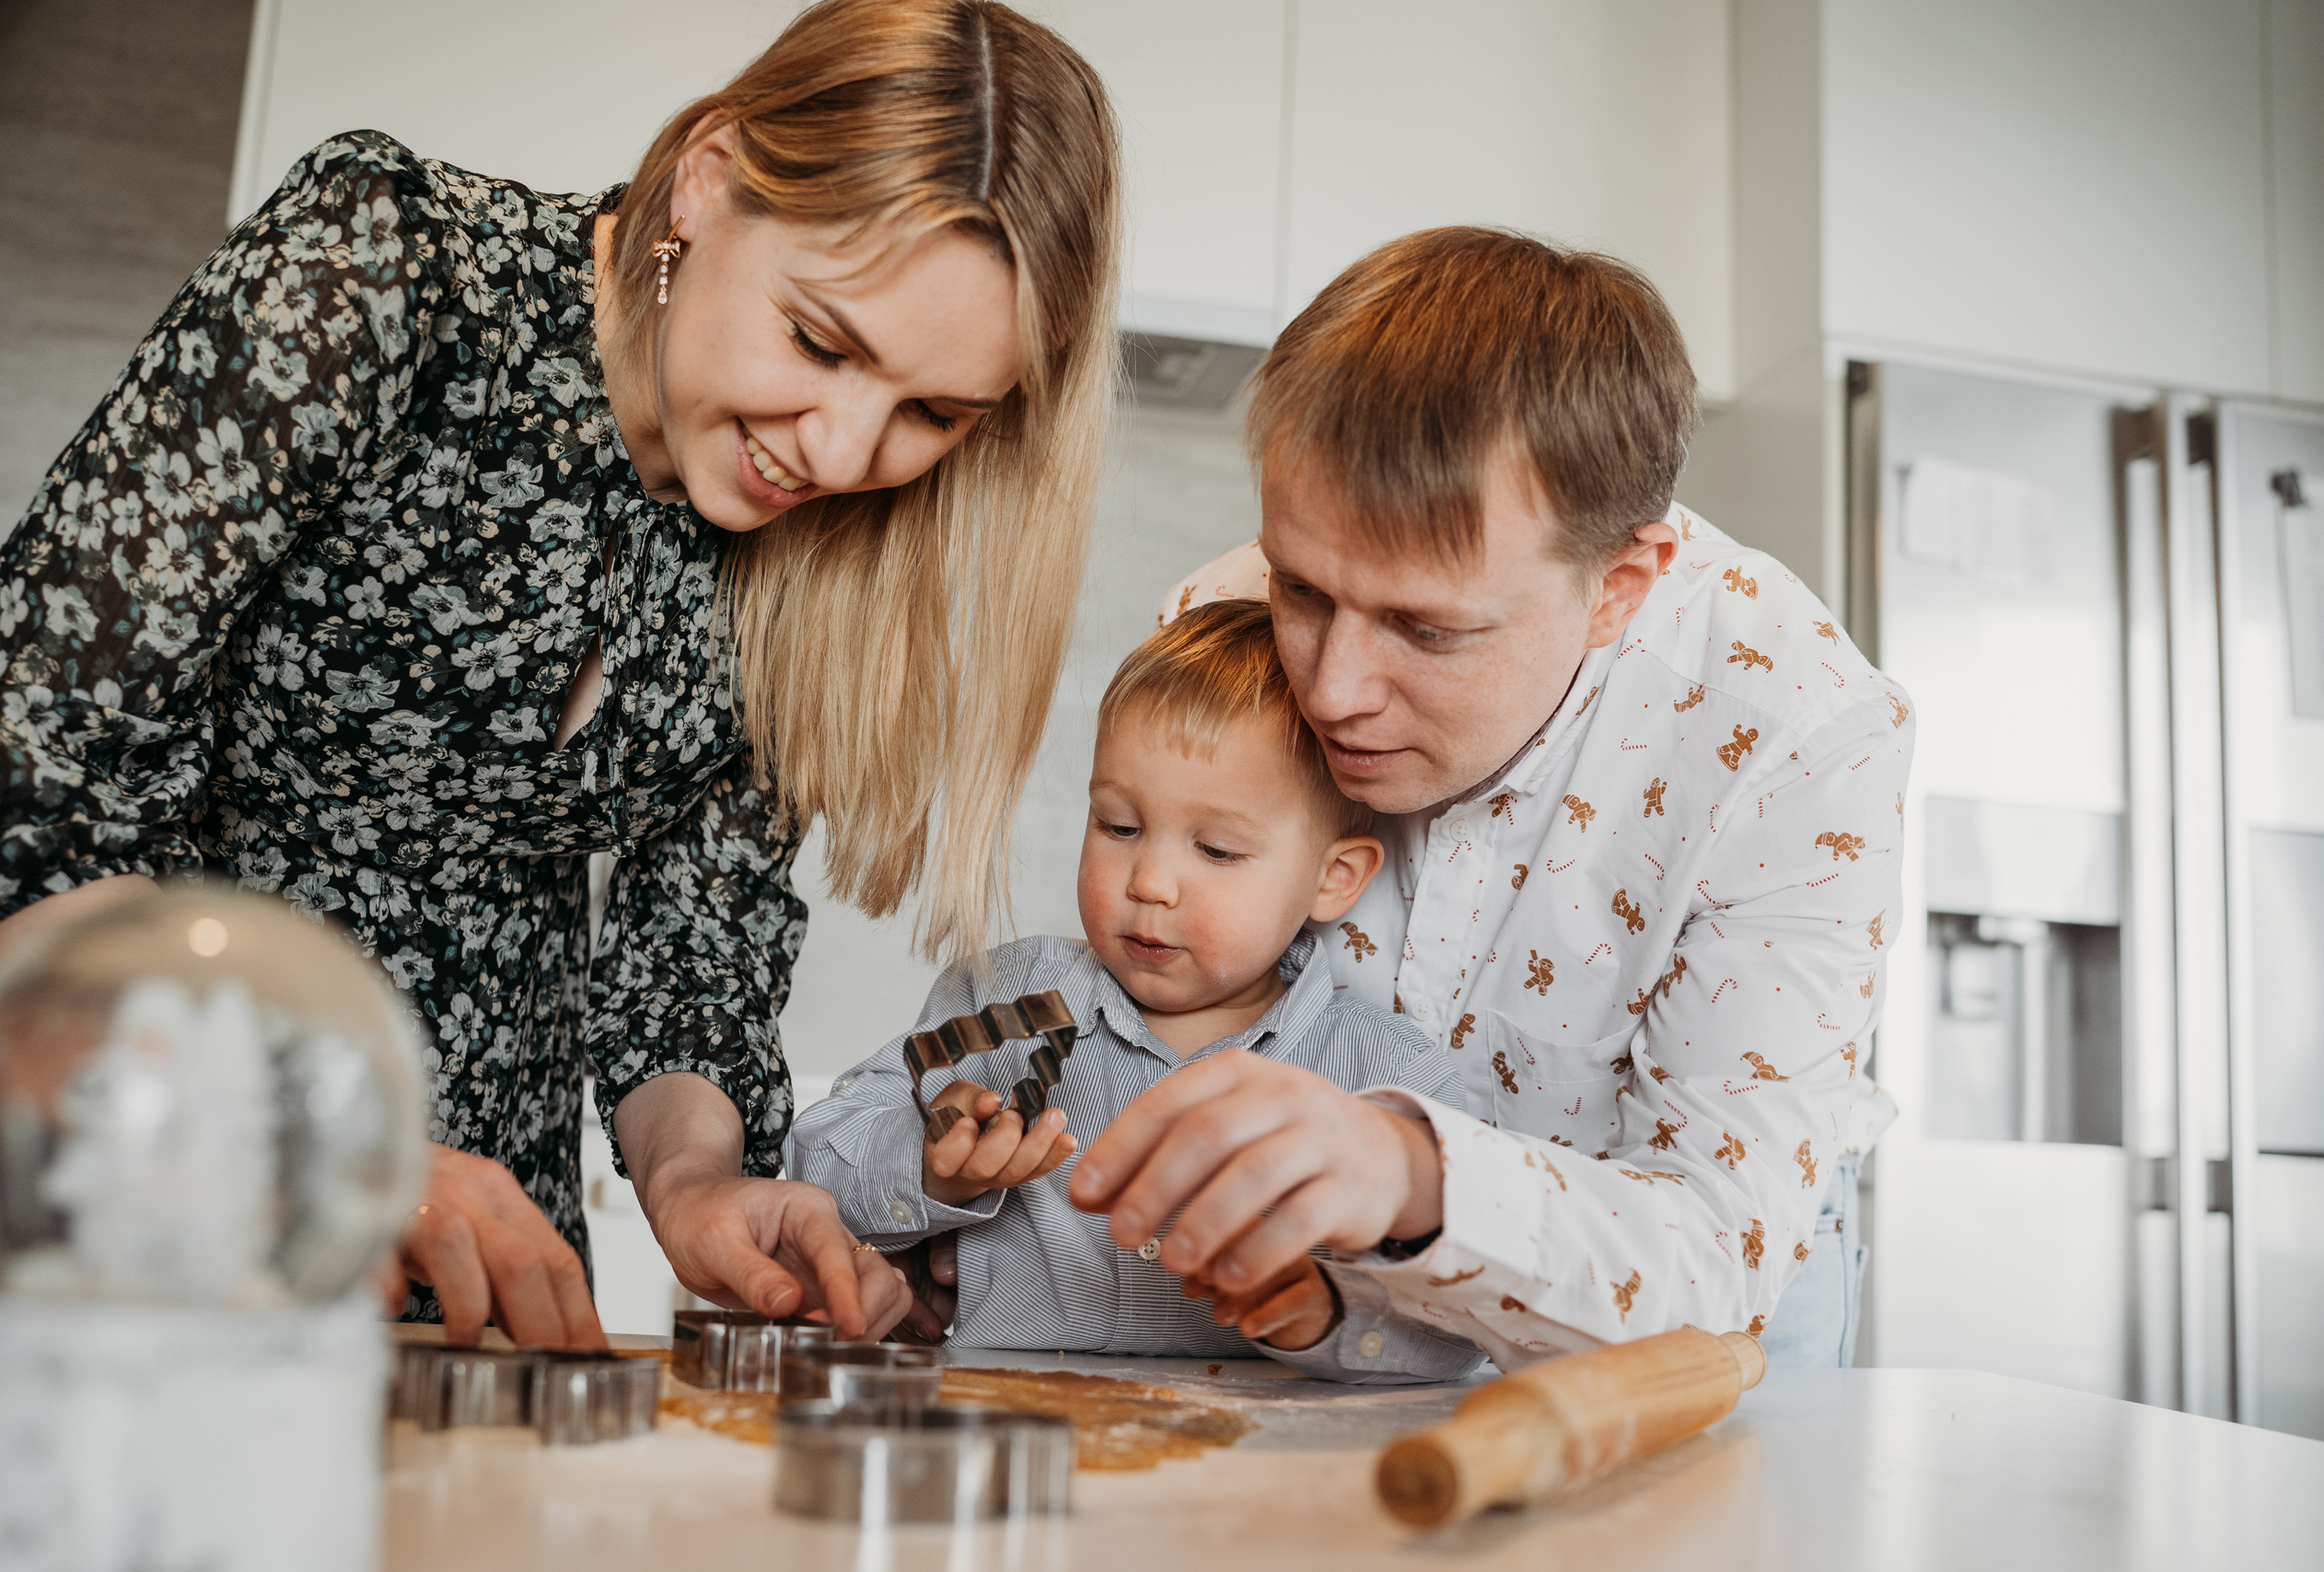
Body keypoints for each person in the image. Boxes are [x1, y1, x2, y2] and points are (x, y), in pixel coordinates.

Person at [0, 0, 1121, 1348]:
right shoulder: (389, 267)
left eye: (930, 413)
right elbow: (44, 765)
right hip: (144, 1169)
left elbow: (691, 955)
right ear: (707, 180)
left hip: (489, 1254)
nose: (840, 452)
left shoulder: (823, 545)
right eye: (821, 343)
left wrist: (698, 1185)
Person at [1069, 228, 1913, 1369]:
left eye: (1426, 630)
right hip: (1322, 1315)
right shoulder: (1220, 618)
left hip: (1686, 1326)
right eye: (1302, 592)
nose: (1331, 691)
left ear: (1618, 586)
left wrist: (1409, 1170)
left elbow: (1720, 1243)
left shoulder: (1797, 730)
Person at [790, 600, 1482, 1381]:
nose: (1149, 881)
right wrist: (928, 1172)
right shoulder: (999, 1002)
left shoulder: (1390, 1081)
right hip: (1001, 1418)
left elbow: (1467, 1322)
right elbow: (814, 1161)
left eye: (1216, 849)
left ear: (1334, 878)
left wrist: (1326, 1314)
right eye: (1118, 826)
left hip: (1261, 1444)